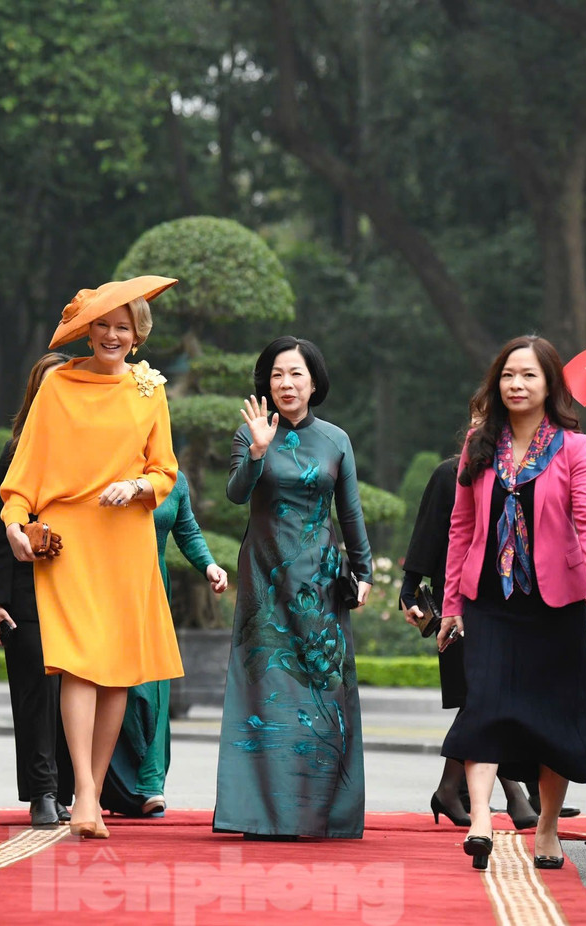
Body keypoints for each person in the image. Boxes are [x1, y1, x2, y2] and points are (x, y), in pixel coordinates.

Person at [0, 276, 182, 839]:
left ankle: (93, 792)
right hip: (71, 540)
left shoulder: (151, 392)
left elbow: (166, 471)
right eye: (101, 324)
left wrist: (139, 488)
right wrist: (12, 524)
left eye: (122, 327)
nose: (111, 334)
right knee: (77, 662)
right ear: (87, 330)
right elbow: (22, 475)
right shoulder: (57, 387)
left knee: (117, 673)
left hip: (125, 537)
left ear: (137, 335)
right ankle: (80, 790)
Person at [439, 335, 586, 871]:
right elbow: (461, 527)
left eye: (528, 376)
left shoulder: (573, 446)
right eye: (509, 375)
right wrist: (451, 604)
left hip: (554, 602)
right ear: (497, 382)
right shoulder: (478, 444)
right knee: (484, 703)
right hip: (489, 598)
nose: (516, 384)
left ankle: (548, 828)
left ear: (549, 384)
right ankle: (481, 822)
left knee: (553, 716)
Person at [212, 336, 374, 840]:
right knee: (268, 690)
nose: (286, 383)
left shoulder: (336, 439)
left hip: (322, 581)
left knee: (324, 688)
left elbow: (349, 511)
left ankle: (321, 812)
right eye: (278, 374)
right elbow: (236, 493)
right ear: (267, 381)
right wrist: (258, 451)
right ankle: (261, 814)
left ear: (314, 382)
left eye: (296, 374)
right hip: (264, 579)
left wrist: (363, 571)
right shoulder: (249, 433)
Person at [399, 453, 543, 830]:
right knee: (482, 696)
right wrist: (409, 589)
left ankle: (450, 789)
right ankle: (512, 796)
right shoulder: (451, 472)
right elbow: (429, 531)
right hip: (459, 600)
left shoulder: (527, 470)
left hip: (512, 598)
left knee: (489, 697)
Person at [104, 470, 228, 817]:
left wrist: (209, 565)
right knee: (118, 687)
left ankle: (150, 784)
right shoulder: (106, 466)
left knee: (154, 686)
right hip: (109, 587)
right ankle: (112, 787)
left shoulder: (175, 479)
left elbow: (186, 530)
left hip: (154, 589)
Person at [0, 353, 75, 828]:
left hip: (79, 588)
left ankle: (68, 790)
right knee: (36, 691)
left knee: (74, 691)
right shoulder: (18, 447)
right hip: (28, 588)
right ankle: (42, 791)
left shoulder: (90, 448)